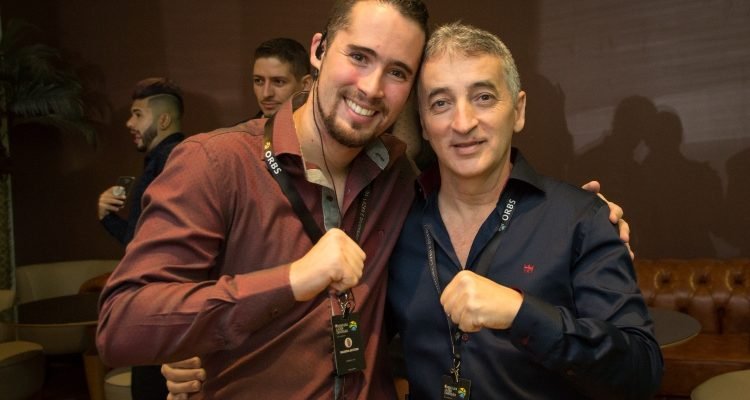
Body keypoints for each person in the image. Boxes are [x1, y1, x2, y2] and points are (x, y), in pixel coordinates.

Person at [97, 1, 429, 398]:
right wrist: (292, 280)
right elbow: (122, 324)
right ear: (319, 50)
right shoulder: (217, 163)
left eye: (397, 72)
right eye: (359, 57)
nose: (372, 88)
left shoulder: (398, 176)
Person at [385, 23, 662, 399]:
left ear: (518, 111)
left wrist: (521, 313)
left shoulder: (579, 220)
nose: (463, 123)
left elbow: (640, 372)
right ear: (424, 124)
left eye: (483, 97)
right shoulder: (397, 221)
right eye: (441, 103)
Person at [95, 77, 186, 400]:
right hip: (163, 302)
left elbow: (143, 245)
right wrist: (108, 218)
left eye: (137, 114)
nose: (129, 123)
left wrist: (108, 219)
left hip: (160, 303)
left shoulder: (171, 161)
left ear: (163, 120)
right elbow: (140, 240)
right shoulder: (168, 159)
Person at [250, 37, 312, 118]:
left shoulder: (321, 126)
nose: (266, 94)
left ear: (305, 85)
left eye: (278, 81)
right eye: (258, 81)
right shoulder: (242, 127)